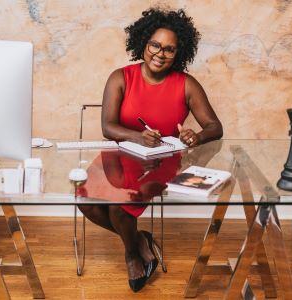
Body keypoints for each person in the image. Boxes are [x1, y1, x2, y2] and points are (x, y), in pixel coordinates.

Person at [80, 7, 223, 292]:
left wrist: (196, 136)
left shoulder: (186, 84)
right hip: (118, 156)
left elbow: (215, 127)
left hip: (161, 160)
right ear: (144, 43)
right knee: (85, 201)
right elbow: (108, 127)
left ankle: (133, 254)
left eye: (169, 49)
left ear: (178, 53)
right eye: (155, 44)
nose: (160, 53)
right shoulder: (120, 77)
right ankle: (139, 240)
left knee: (121, 208)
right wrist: (137, 136)